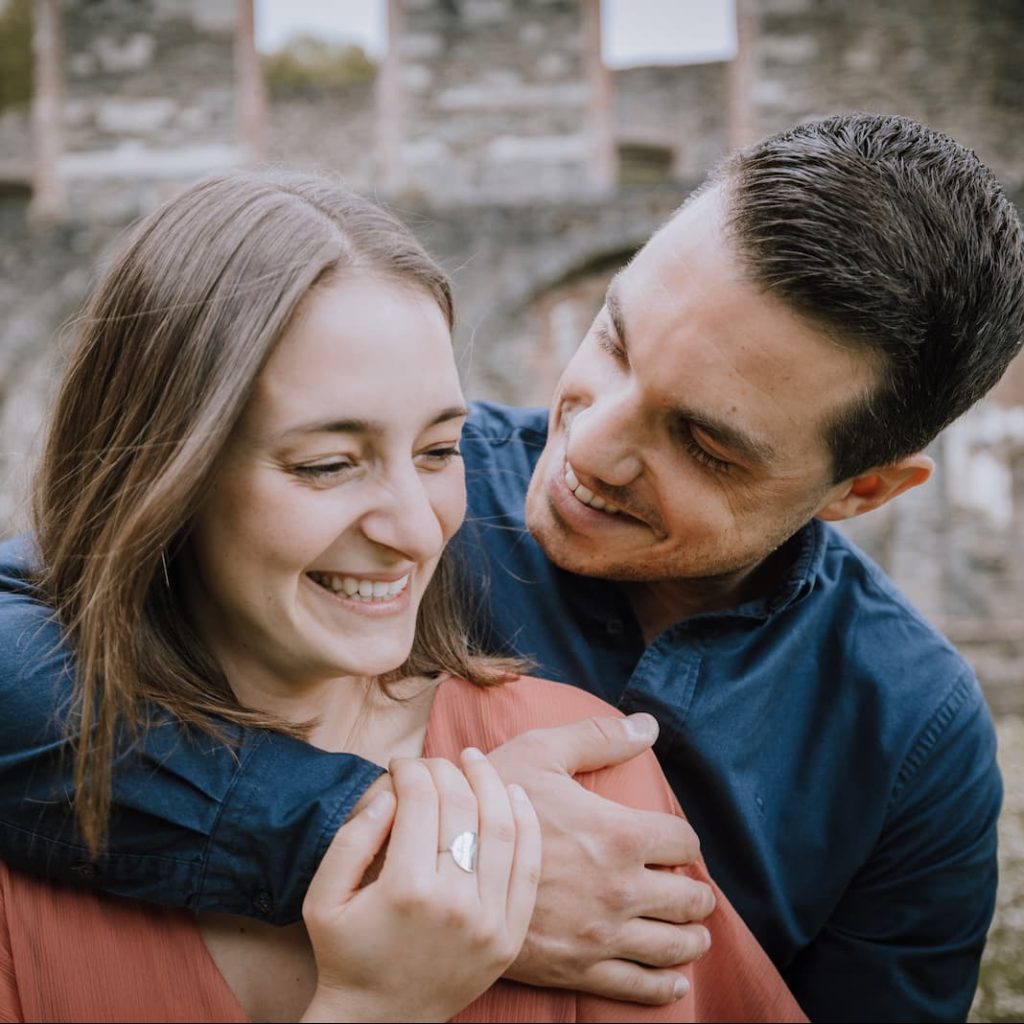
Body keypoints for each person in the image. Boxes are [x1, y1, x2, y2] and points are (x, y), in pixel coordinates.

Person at [0, 112, 1020, 1019]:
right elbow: (53, 609)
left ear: (863, 491)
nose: (590, 447)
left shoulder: (912, 743)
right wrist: (390, 834)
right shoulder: (401, 502)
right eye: (612, 342)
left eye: (704, 443)